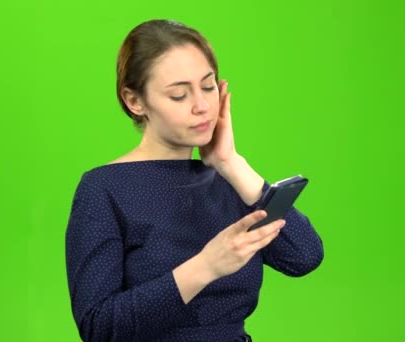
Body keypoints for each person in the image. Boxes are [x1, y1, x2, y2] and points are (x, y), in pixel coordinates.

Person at [65, 19, 324, 342]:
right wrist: (205, 267)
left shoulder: (228, 181)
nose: (202, 107)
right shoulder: (103, 189)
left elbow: (303, 256)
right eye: (179, 95)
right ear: (135, 101)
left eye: (208, 86)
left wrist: (230, 163)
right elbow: (98, 328)